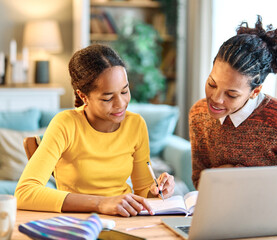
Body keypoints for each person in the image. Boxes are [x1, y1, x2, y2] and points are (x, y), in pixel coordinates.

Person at [189, 16, 277, 217]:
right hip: (227, 215)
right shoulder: (199, 115)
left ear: (255, 91)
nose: (216, 99)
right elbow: (200, 181)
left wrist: (242, 179)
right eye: (212, 84)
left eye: (231, 94)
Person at [15, 44, 175, 217]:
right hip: (78, 221)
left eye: (124, 91)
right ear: (83, 96)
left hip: (125, 221)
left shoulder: (136, 124)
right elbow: (25, 192)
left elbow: (143, 190)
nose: (121, 103)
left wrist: (158, 191)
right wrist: (101, 203)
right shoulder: (66, 124)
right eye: (107, 98)